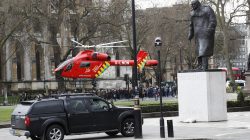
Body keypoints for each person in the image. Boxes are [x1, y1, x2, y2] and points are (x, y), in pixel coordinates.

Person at [188, 0, 217, 70]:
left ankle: (204, 66)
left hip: (206, 33)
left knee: (203, 50)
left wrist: (210, 30)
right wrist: (190, 33)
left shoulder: (207, 9)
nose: (192, 6)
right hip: (197, 34)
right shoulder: (192, 13)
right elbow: (191, 25)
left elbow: (213, 20)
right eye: (191, 5)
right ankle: (200, 65)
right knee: (198, 51)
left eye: (193, 5)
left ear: (197, 4)